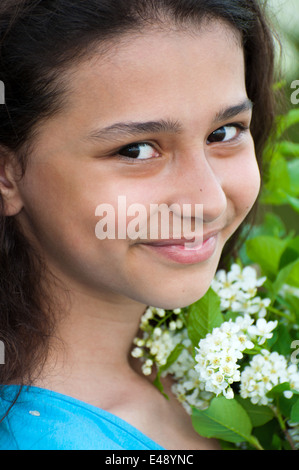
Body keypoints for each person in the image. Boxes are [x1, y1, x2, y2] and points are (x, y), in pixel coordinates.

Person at [0, 0, 277, 450]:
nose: (206, 201)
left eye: (223, 133)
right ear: (7, 173)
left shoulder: (221, 347)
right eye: (136, 150)